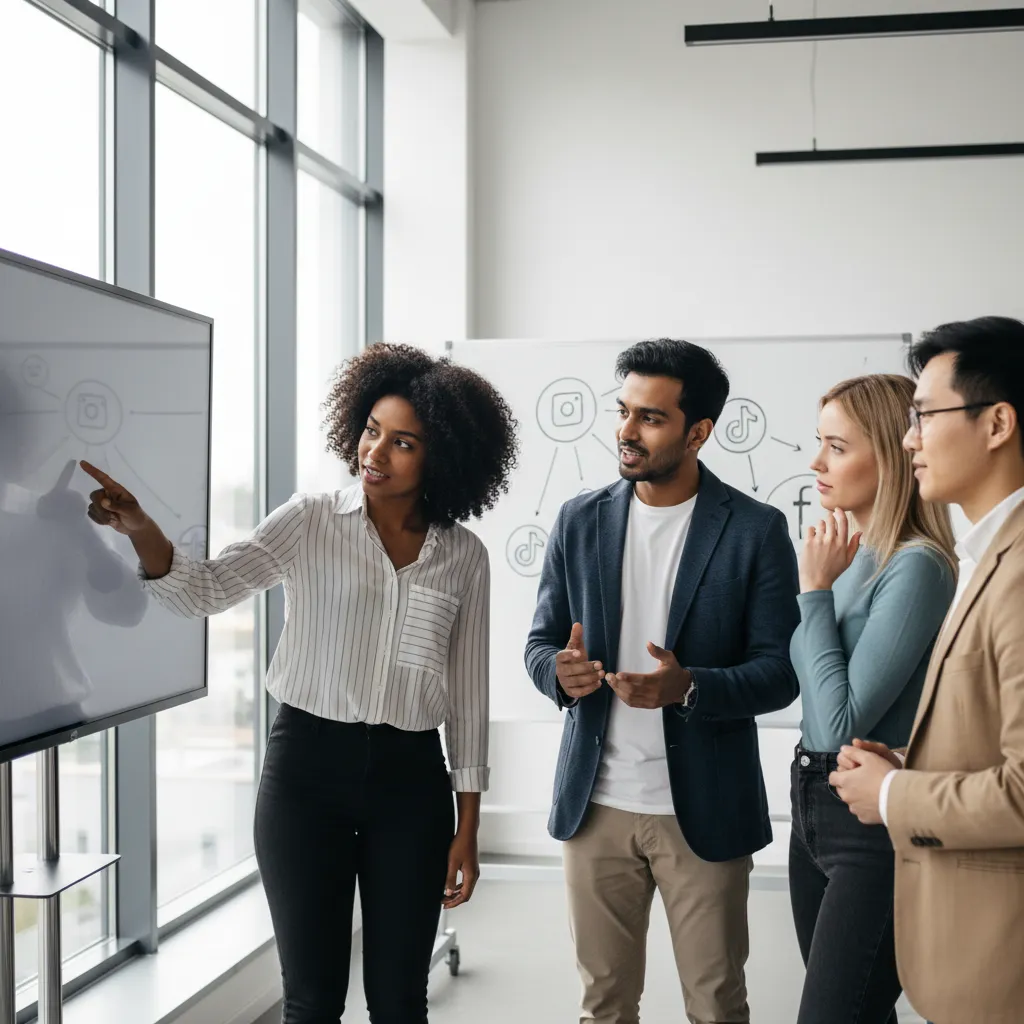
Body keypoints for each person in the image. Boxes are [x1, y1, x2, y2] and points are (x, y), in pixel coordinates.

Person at [81, 343, 519, 1024]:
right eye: (372, 430)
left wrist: (468, 826)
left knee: (401, 1002)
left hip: (411, 783)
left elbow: (467, 695)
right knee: (311, 1002)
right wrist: (139, 528)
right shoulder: (311, 519)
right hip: (305, 775)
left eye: (403, 442)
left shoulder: (463, 557)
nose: (377, 452)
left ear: (444, 457)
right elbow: (208, 588)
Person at [525, 338, 801, 1024]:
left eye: (650, 418)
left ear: (698, 432)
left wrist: (690, 687)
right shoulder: (578, 519)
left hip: (703, 810)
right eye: (624, 411)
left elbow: (780, 672)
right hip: (596, 805)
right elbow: (539, 643)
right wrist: (557, 673)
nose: (625, 430)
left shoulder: (755, 530)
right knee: (603, 1004)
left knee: (715, 1004)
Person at [830, 317, 1024, 1024]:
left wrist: (894, 795)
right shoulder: (983, 555)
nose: (910, 438)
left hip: (999, 968)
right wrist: (916, 759)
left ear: (997, 422)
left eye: (924, 416)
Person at [788, 375, 956, 1024]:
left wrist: (813, 592)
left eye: (836, 446)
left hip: (867, 826)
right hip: (811, 804)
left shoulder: (917, 566)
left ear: (888, 456)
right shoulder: (851, 556)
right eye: (818, 443)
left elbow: (836, 724)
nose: (816, 462)